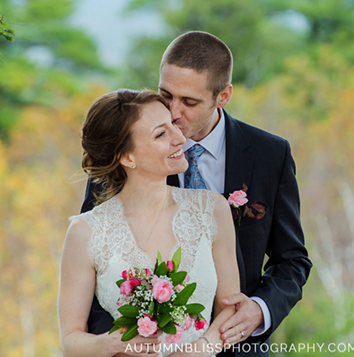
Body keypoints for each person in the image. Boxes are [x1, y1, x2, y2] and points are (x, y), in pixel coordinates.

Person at [82, 32, 312, 356]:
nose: (174, 112)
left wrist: (260, 309)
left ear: (224, 95)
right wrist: (119, 346)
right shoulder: (126, 152)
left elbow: (291, 259)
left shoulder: (270, 155)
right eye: (165, 95)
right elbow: (95, 263)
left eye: (189, 102)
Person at [59, 89, 240, 356]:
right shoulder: (85, 232)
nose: (180, 138)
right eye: (161, 134)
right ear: (127, 157)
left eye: (173, 126)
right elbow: (70, 341)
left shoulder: (212, 210)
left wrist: (201, 348)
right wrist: (111, 343)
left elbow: (230, 307)